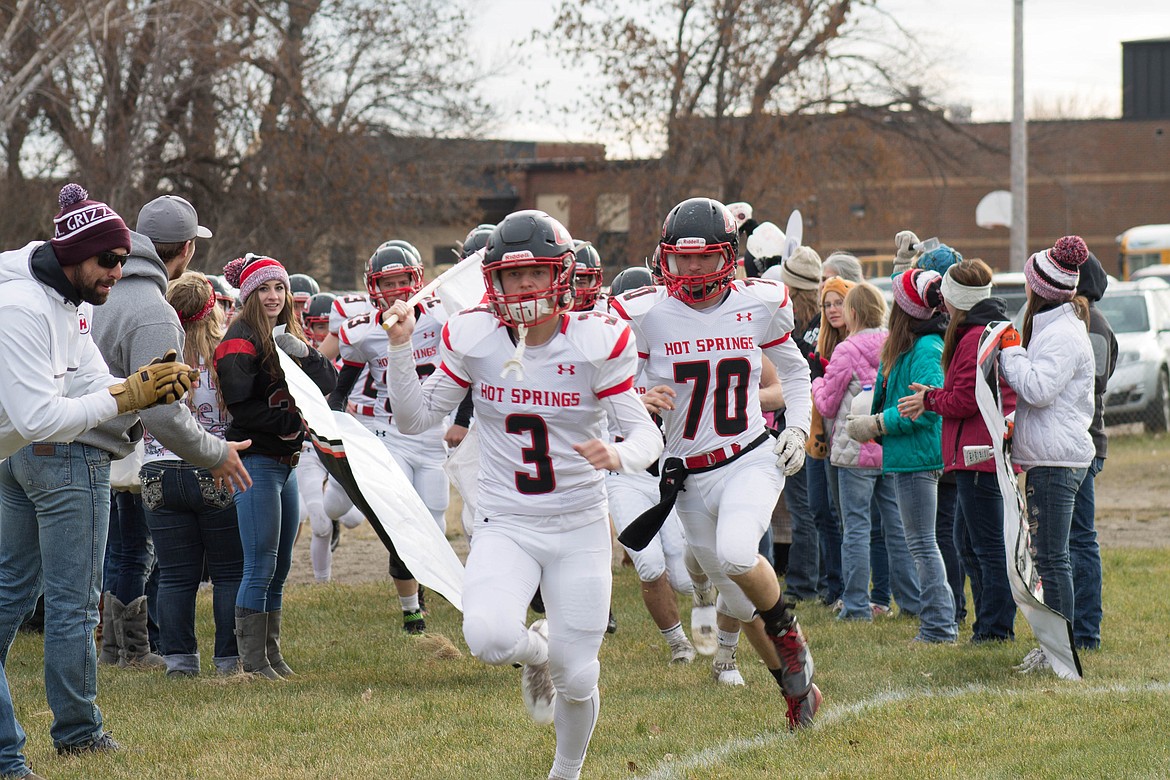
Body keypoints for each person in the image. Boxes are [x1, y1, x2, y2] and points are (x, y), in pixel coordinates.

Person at [384, 210, 662, 780]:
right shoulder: (476, 338)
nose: (525, 287)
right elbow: (414, 418)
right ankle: (536, 651)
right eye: (513, 277)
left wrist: (621, 455)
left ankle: (566, 772)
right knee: (486, 638)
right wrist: (399, 347)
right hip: (506, 520)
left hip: (580, 522)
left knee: (580, 676)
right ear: (494, 282)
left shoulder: (594, 341)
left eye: (536, 273)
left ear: (560, 275)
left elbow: (645, 434)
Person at [0, 183, 196, 774]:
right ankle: (54, 742)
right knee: (70, 605)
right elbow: (39, 419)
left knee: (13, 596)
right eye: (109, 260)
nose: (120, 270)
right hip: (38, 450)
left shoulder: (71, 301)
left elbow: (88, 380)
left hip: (12, 455)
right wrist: (126, 399)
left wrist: (137, 387)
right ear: (73, 255)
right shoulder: (23, 309)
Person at [610, 197, 821, 729]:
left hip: (748, 456)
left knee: (734, 554)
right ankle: (797, 691)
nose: (694, 268)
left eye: (706, 257)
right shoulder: (644, 312)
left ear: (730, 254)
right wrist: (640, 397)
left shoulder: (762, 301)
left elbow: (795, 375)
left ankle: (790, 637)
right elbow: (615, 389)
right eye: (683, 258)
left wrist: (797, 426)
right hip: (685, 473)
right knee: (735, 597)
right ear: (666, 257)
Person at [83, 194, 250, 670]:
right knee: (215, 568)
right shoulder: (154, 311)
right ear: (188, 250)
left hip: (94, 448)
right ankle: (131, 667)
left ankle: (133, 652)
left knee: (129, 563)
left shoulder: (100, 291)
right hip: (100, 450)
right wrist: (214, 452)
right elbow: (161, 411)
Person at [215, 254, 337, 679]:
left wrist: (306, 353)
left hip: (285, 462)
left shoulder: (287, 332)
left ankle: (271, 653)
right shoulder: (240, 338)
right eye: (264, 288)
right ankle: (251, 661)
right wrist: (297, 420)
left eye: (279, 288)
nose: (273, 296)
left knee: (281, 564)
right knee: (260, 562)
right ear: (249, 295)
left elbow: (329, 382)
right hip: (256, 460)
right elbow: (243, 407)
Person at [327, 241, 449, 633]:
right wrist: (332, 409)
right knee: (400, 519)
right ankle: (411, 609)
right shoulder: (365, 329)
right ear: (373, 287)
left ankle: (425, 587)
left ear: (417, 281)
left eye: (402, 281)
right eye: (388, 282)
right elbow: (348, 372)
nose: (396, 290)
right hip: (388, 431)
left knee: (435, 521)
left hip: (433, 435)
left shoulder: (443, 316)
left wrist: (462, 419)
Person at [898, 259, 1018, 642]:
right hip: (974, 454)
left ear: (958, 301)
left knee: (985, 546)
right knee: (969, 543)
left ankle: (996, 629)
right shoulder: (976, 331)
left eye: (946, 298)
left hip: (978, 456)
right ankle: (987, 624)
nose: (942, 305)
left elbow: (966, 400)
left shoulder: (972, 337)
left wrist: (930, 399)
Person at [140, 272, 246, 676]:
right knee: (228, 571)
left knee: (174, 575)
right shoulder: (225, 357)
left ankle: (179, 661)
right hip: (213, 466)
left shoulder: (153, 355)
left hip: (157, 472)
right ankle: (228, 660)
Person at [999, 236, 1094, 671]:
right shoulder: (1056, 326)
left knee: (1052, 558)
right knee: (1053, 556)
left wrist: (1009, 353)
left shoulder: (1062, 334)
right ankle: (1058, 647)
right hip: (1053, 455)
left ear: (1041, 289)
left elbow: (1038, 389)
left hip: (1057, 462)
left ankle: (1060, 654)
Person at [848, 267, 957, 643]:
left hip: (918, 458)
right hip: (906, 456)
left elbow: (924, 408)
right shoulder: (909, 345)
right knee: (921, 544)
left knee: (923, 545)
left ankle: (940, 626)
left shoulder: (926, 348)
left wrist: (877, 424)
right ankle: (938, 623)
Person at [813, 283, 914, 622]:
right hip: (888, 445)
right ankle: (910, 601)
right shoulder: (895, 344)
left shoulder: (846, 349)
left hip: (854, 448)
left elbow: (827, 404)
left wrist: (814, 382)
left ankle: (856, 604)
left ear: (853, 313)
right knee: (895, 526)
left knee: (855, 526)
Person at [1070, 252, 1117, 651]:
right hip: (1070, 444)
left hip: (1084, 444)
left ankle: (1086, 632)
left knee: (1080, 540)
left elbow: (1093, 382)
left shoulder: (1094, 327)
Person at [773, 247, 823, 605]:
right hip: (790, 420)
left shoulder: (817, 328)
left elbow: (809, 378)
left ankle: (805, 583)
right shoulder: (797, 323)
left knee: (806, 509)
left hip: (813, 426)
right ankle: (807, 580)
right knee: (803, 507)